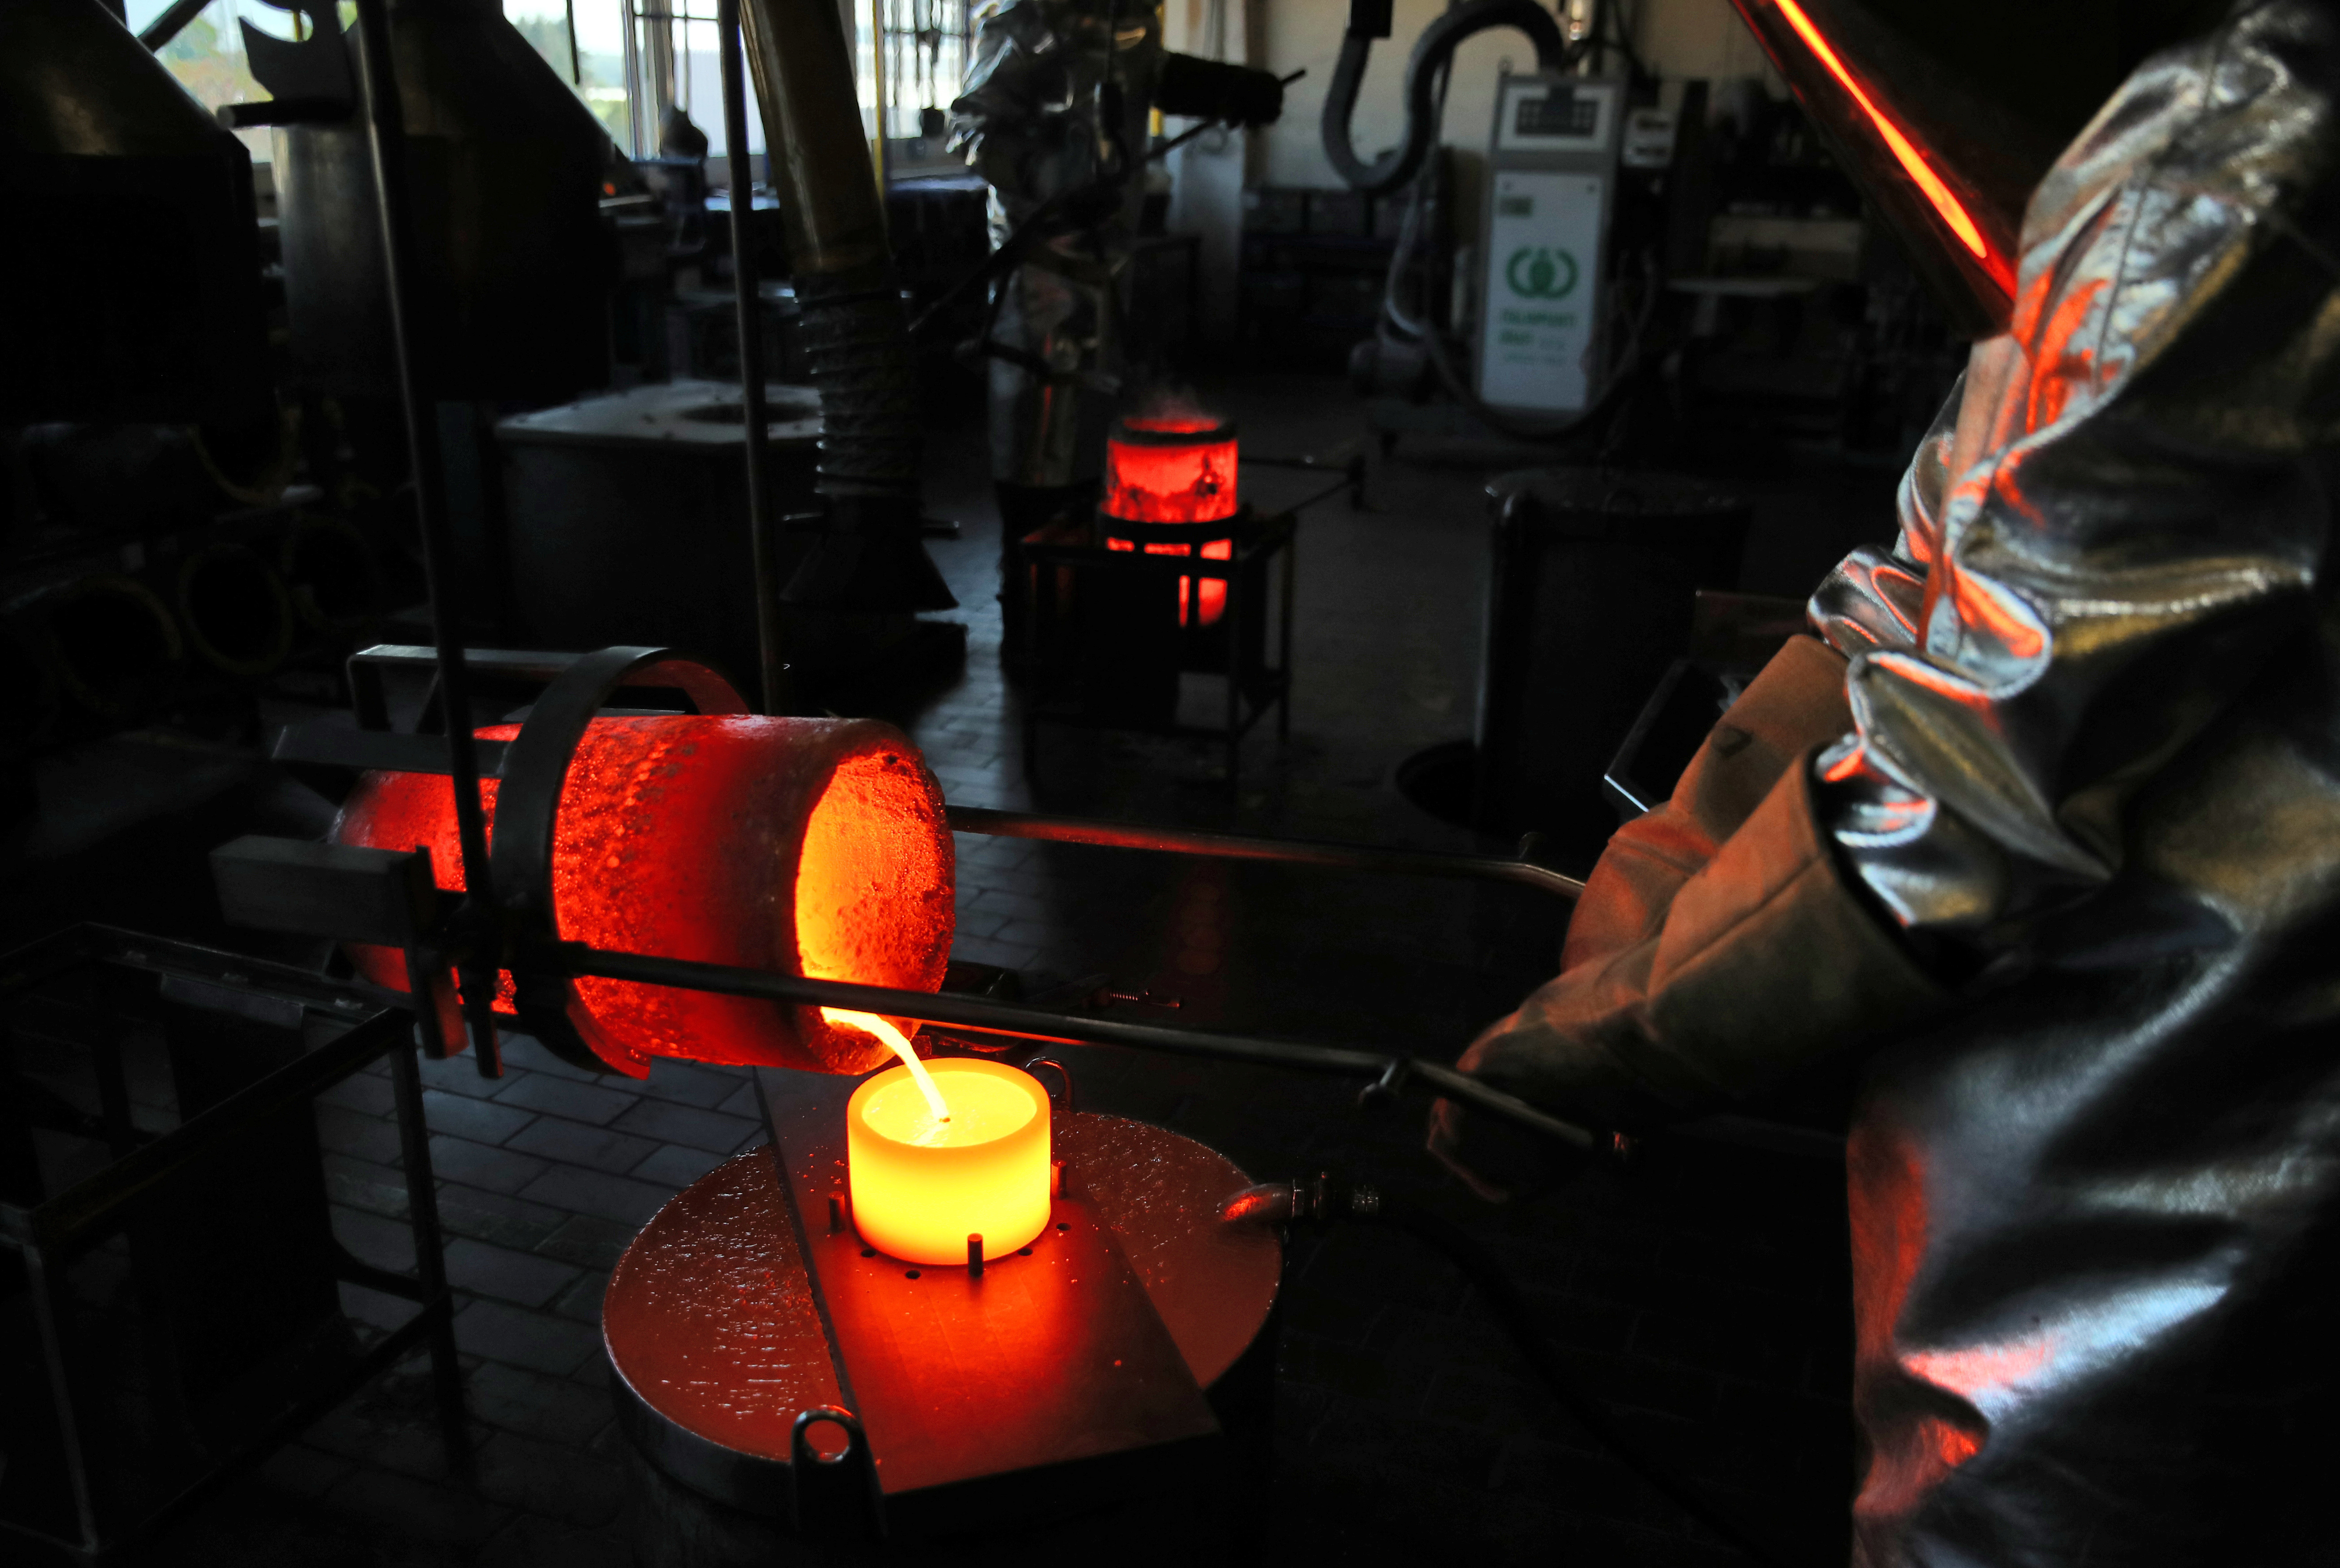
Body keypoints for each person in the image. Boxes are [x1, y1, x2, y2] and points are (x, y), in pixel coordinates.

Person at [1430, 2, 2340, 1560]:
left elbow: (1965, 789)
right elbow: (1929, 574)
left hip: (2161, 1235)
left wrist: (1590, 1052)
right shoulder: (2160, 150)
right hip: (2046, 1225)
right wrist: (1671, 858)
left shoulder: (2246, 140)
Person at [949, 2, 1281, 656]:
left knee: (1099, 456)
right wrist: (1051, 178)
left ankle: (1085, 626)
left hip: (1107, 274)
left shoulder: (1127, 13)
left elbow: (1143, 70)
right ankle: (1034, 632)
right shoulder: (1026, 16)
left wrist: (1225, 88)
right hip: (1038, 276)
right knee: (1036, 452)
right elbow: (970, 127)